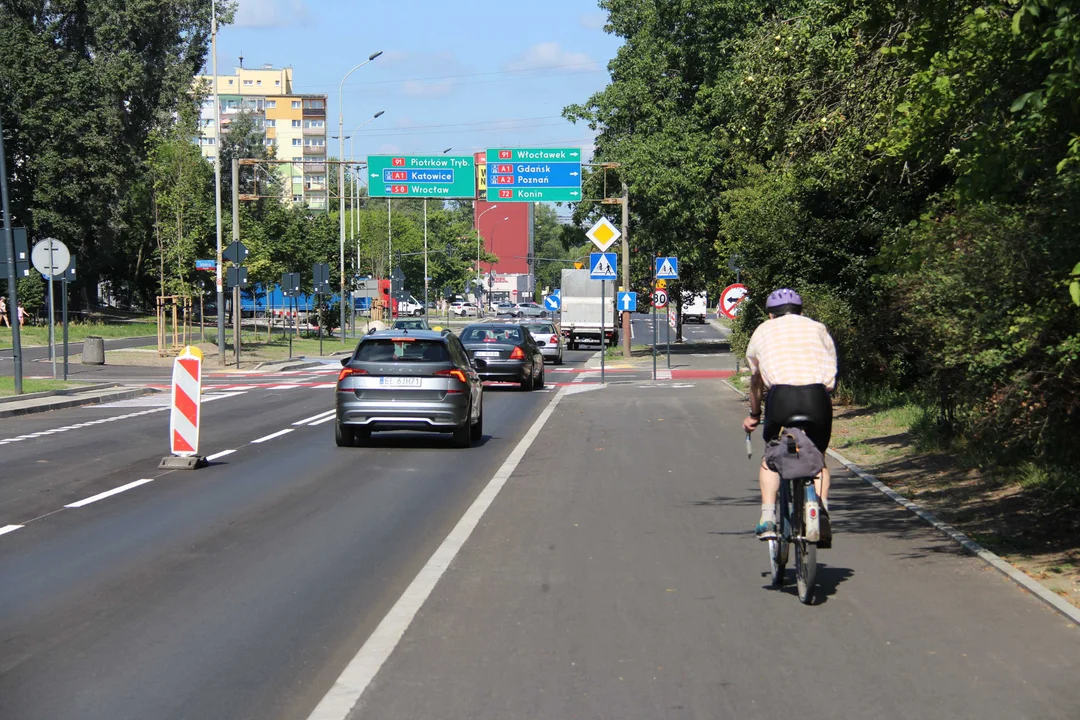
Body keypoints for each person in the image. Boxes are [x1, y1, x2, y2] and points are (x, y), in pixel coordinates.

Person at [742, 289, 837, 542]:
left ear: (771, 316)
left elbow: (756, 379)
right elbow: (831, 374)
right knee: (818, 455)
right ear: (801, 312)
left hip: (781, 397)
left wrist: (754, 414)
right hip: (817, 396)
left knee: (772, 455)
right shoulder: (819, 328)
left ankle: (768, 518)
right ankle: (822, 512)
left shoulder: (763, 330)